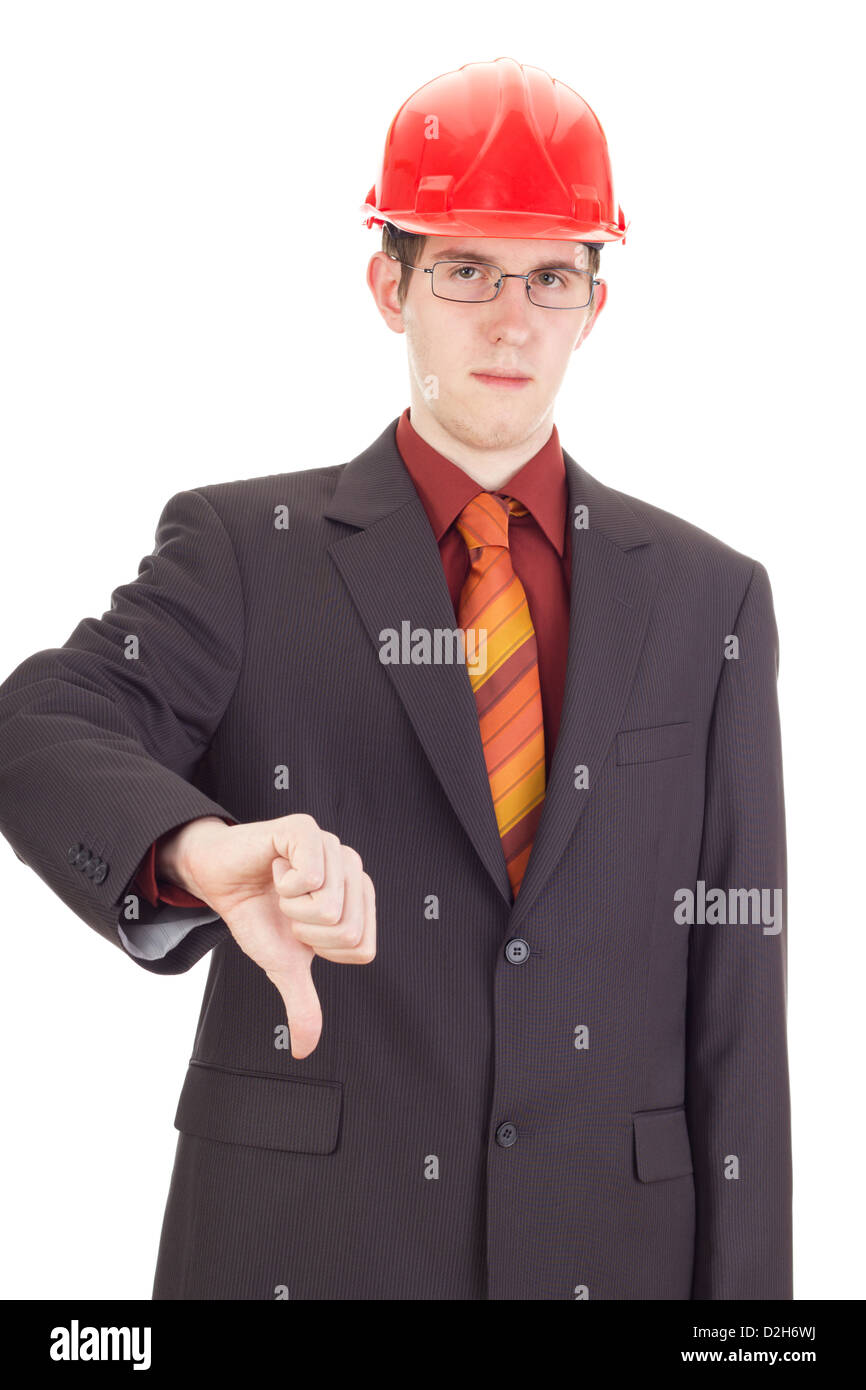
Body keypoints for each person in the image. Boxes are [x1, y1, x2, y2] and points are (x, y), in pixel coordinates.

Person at [0, 56, 791, 1300]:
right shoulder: (245, 553)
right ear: (389, 287)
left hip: (611, 1258)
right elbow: (38, 725)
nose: (510, 319)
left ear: (596, 304)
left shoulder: (709, 598)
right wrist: (199, 849)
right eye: (465, 271)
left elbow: (737, 1009)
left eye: (548, 277)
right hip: (309, 1249)